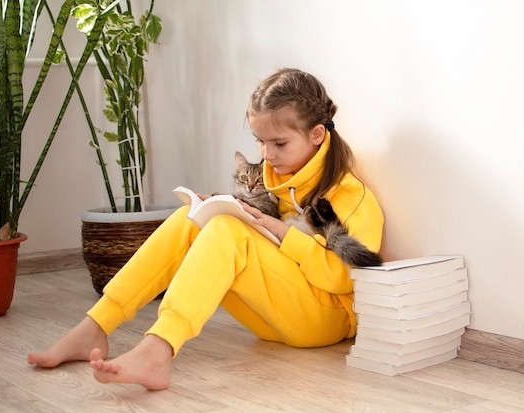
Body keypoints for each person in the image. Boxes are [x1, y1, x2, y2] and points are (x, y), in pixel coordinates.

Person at [27, 68, 384, 390]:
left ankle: (157, 351)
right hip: (276, 316)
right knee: (191, 217)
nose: (267, 154)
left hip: (325, 321)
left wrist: (279, 231)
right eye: (261, 142)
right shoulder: (279, 183)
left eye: (279, 143)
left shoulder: (351, 194)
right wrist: (218, 206)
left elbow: (345, 278)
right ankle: (95, 326)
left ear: (318, 134)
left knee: (226, 230)